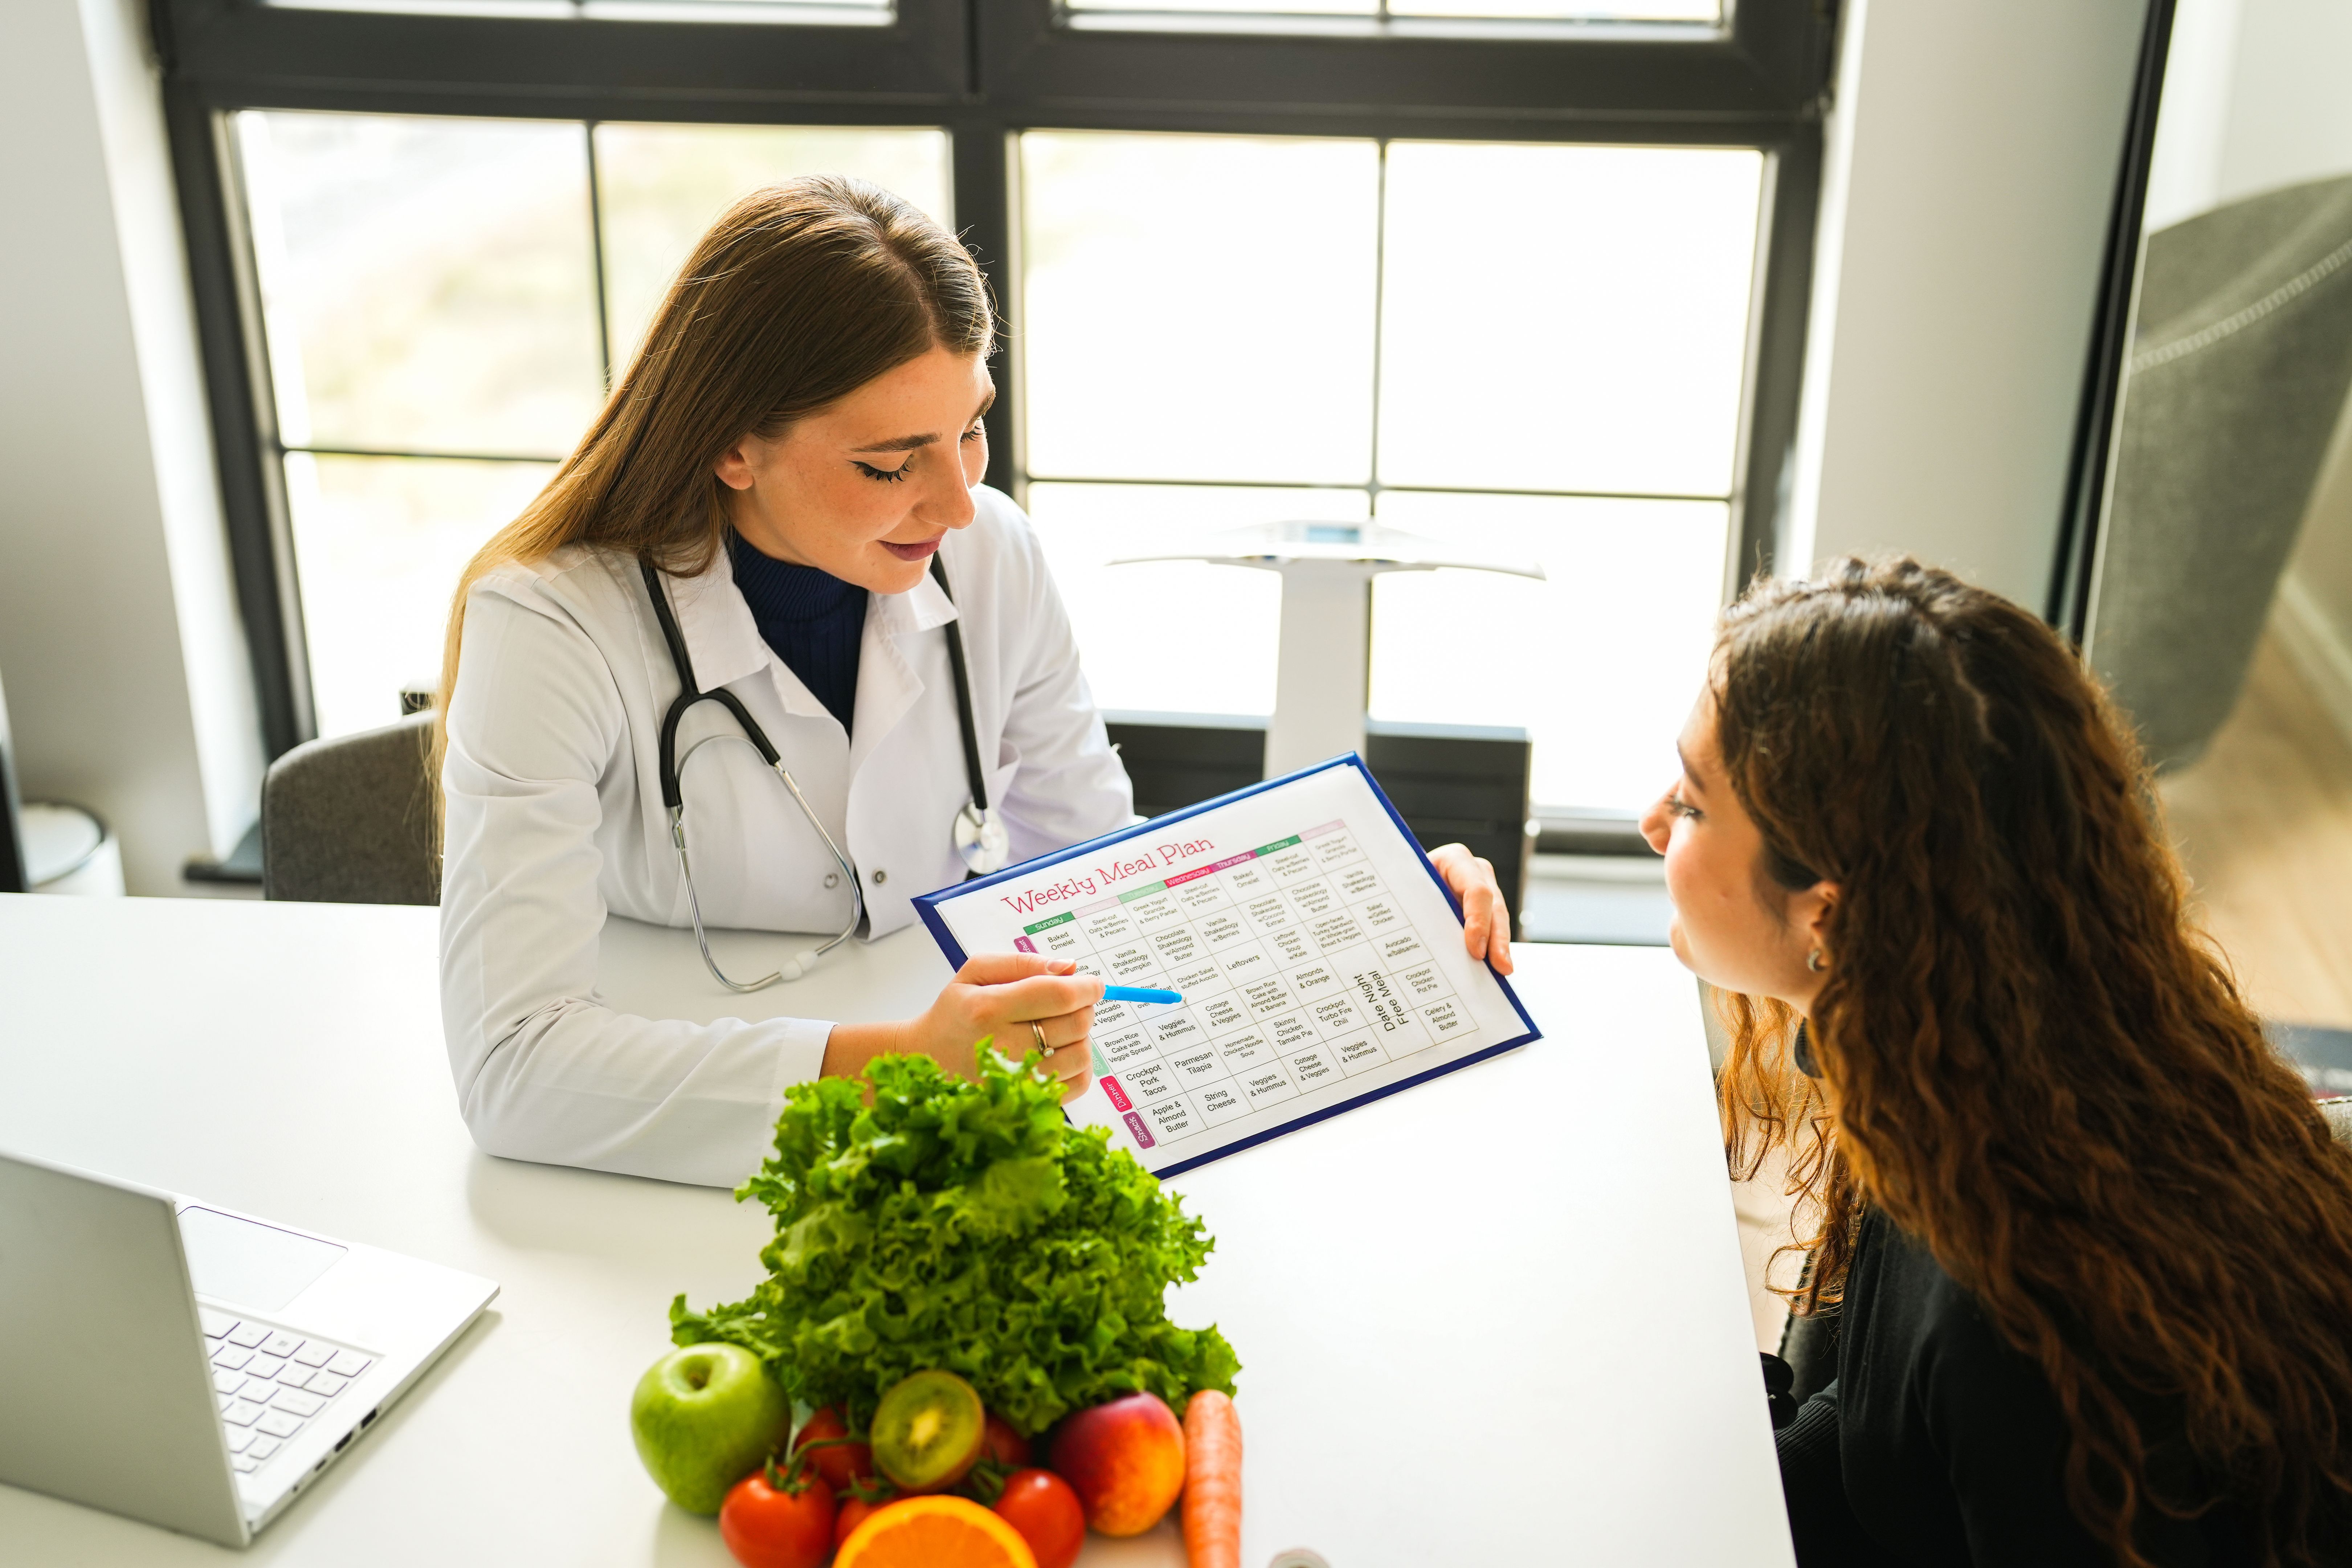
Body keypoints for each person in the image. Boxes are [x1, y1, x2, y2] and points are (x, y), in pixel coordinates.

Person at [434, 177, 1514, 1186]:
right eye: (890, 463)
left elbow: (1099, 872)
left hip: (942, 1143)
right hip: (646, 1168)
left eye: (972, 429)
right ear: (733, 449)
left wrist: (1369, 900)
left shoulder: (989, 551)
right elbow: (513, 1069)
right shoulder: (551, 627)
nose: (957, 504)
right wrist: (901, 1068)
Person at [1640, 557, 2352, 1566]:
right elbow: (1881, 1426)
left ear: (1825, 914)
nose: (1653, 821)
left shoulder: (2019, 1317)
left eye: (1695, 805)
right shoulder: (1965, 1064)